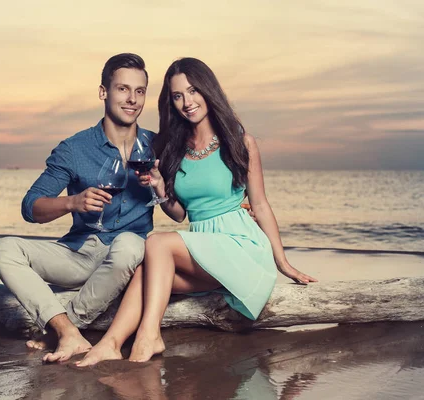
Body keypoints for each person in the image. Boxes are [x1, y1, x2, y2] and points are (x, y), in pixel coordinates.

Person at [77, 57, 317, 367]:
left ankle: (148, 336)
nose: (187, 102)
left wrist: (283, 262)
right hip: (203, 246)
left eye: (193, 91)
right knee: (143, 271)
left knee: (156, 244)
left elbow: (259, 204)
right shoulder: (173, 148)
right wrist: (160, 189)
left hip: (241, 247)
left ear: (208, 90)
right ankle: (111, 343)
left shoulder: (240, 142)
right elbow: (179, 215)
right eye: (177, 96)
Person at [0, 53, 155, 363]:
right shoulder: (74, 149)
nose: (132, 99)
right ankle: (65, 330)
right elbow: (30, 207)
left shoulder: (158, 146)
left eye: (140, 91)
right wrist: (72, 202)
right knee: (4, 249)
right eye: (122, 89)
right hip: (79, 253)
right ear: (103, 92)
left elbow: (181, 207)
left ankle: (65, 329)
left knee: (132, 244)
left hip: (127, 260)